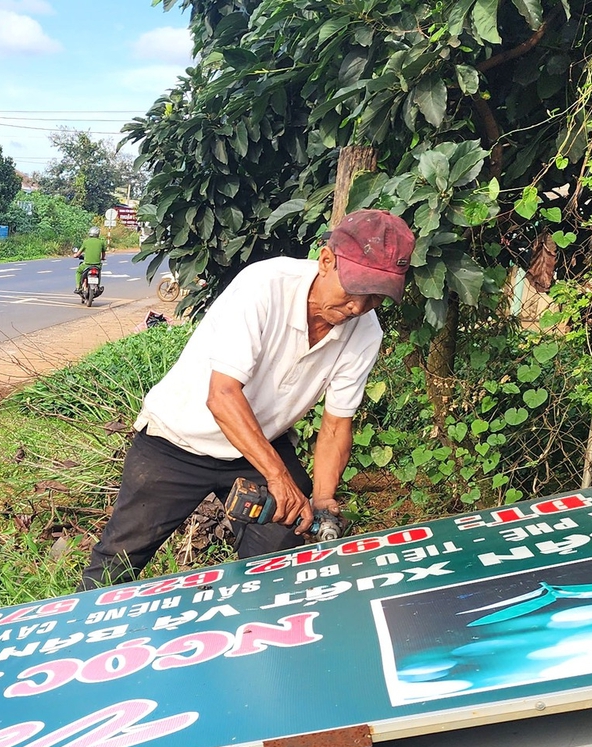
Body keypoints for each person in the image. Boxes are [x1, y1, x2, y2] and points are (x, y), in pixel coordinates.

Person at [79, 208, 416, 589]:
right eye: (355, 289)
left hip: (257, 445)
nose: (359, 306)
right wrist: (277, 476)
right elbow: (222, 395)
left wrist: (322, 500)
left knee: (281, 560)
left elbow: (336, 424)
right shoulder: (264, 286)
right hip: (176, 440)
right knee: (119, 559)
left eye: (376, 297)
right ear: (326, 261)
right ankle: (72, 637)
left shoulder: (365, 332)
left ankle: (258, 636)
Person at [75, 225, 105, 293]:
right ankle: (98, 286)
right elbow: (103, 253)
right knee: (98, 273)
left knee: (78, 272)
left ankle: (78, 287)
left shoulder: (86, 242)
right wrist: (102, 258)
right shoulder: (101, 242)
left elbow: (79, 252)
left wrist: (76, 255)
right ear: (98, 234)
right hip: (97, 265)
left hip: (86, 265)